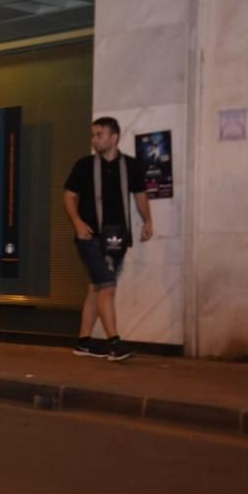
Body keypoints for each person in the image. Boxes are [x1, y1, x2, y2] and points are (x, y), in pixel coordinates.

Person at [63, 117, 153, 362]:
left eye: (99, 134)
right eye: (93, 135)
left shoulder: (132, 166)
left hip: (117, 238)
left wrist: (148, 221)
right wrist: (78, 223)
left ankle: (83, 343)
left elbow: (140, 196)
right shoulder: (83, 165)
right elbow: (69, 196)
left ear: (114, 138)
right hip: (89, 237)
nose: (94, 139)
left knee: (96, 288)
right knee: (107, 286)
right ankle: (114, 344)